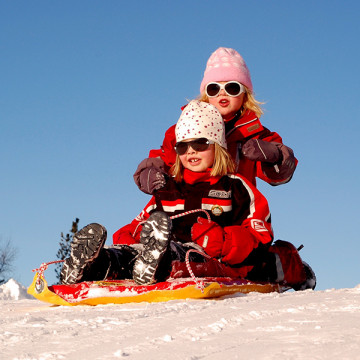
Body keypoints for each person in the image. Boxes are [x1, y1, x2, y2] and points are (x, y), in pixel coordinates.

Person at [60, 101, 315, 291]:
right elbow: (137, 224)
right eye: (183, 146)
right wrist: (130, 238)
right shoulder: (169, 188)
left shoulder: (236, 187)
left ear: (218, 147)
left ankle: (153, 263)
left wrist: (222, 240)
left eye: (200, 144)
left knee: (180, 257)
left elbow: (259, 237)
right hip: (158, 251)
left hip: (207, 258)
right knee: (129, 254)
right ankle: (94, 265)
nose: (191, 151)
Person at [134, 47, 297, 196]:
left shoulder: (255, 134)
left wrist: (275, 156)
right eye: (214, 88)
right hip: (192, 204)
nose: (222, 94)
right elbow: (166, 156)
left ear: (245, 94)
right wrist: (151, 170)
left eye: (232, 88)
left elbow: (279, 175)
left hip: (237, 208)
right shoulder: (187, 128)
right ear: (206, 94)